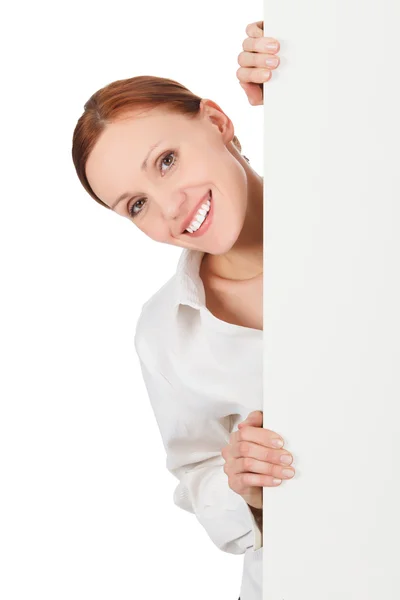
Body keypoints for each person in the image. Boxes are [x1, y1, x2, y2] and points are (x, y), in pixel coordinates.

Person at [71, 20, 295, 600]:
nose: (171, 207)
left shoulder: (360, 210)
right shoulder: (164, 332)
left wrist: (309, 83)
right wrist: (242, 485)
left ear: (219, 123)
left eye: (166, 160)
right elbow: (196, 474)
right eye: (137, 204)